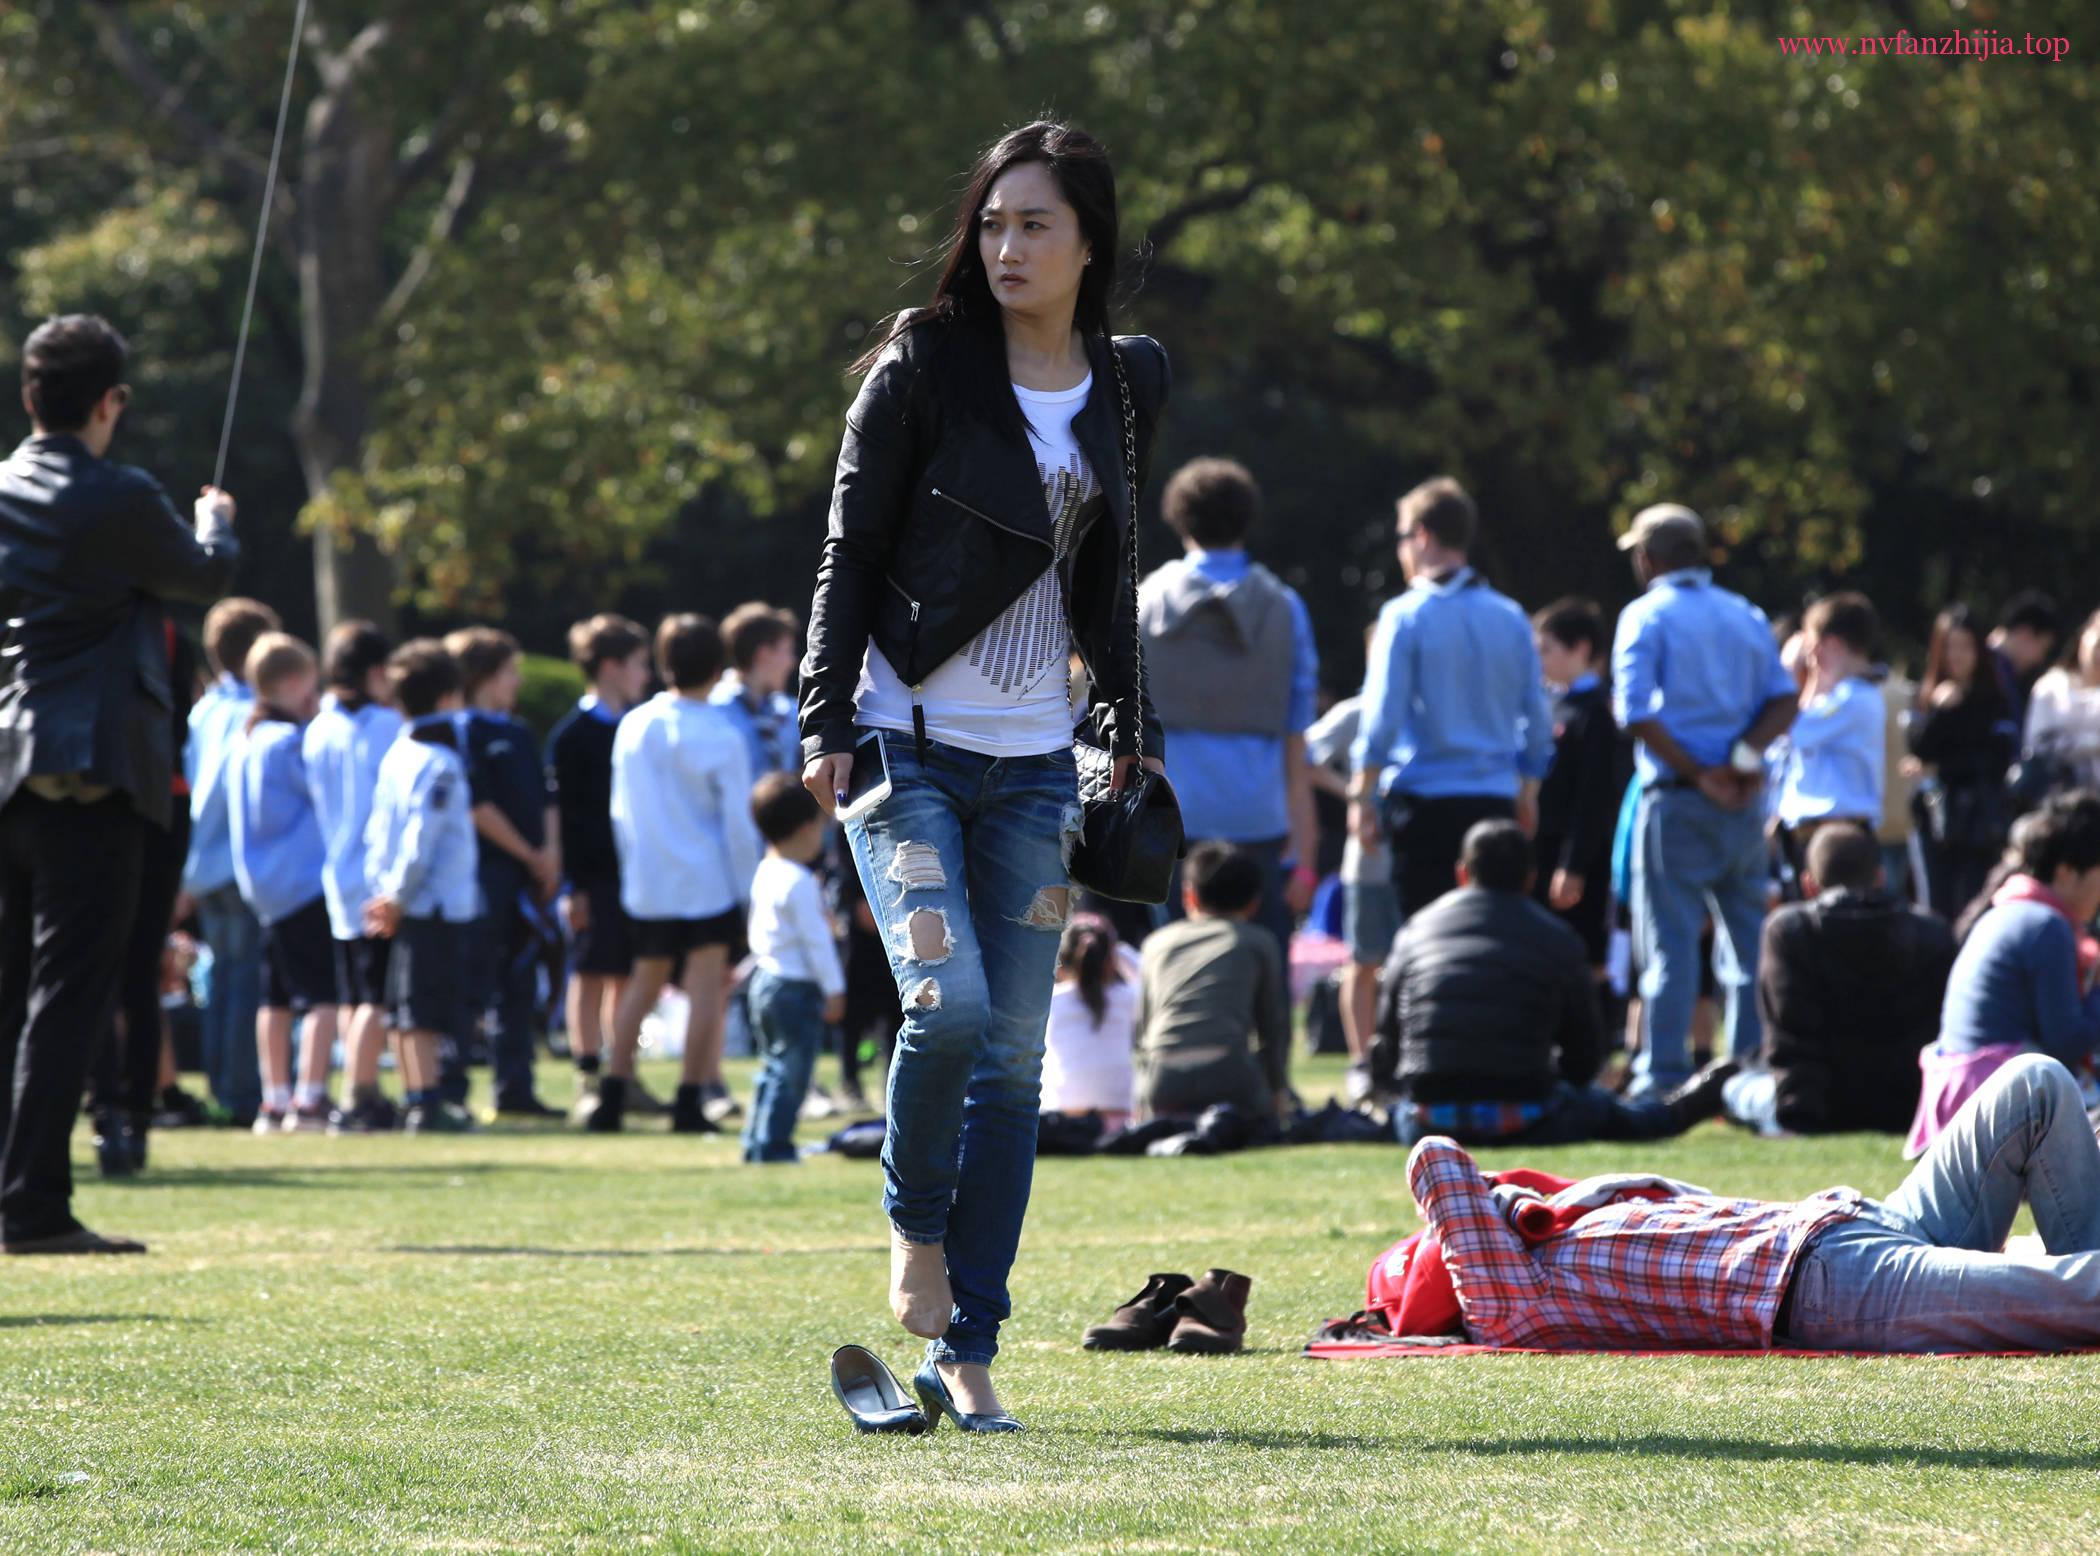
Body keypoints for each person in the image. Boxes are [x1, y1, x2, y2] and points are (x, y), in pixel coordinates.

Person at [798, 121, 1170, 1428]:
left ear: (1089, 245)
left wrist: (1131, 728)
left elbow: (1112, 575)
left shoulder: (1125, 386)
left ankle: (969, 1353)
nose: (1008, 247)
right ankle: (915, 1233)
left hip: (1037, 771)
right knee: (947, 1009)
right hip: (900, 741)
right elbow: (847, 547)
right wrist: (820, 717)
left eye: (1037, 226)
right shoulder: (924, 365)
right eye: (995, 223)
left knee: (1018, 1060)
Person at [0, 314, 239, 1252]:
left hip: (10, 767)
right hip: (94, 767)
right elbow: (203, 577)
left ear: (30, 397)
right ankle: (32, 1207)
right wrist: (215, 520)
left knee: (13, 992)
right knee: (71, 995)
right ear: (112, 403)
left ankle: (16, 1195)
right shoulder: (121, 494)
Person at [1410, 1053, 2100, 1352]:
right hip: (1832, 1290)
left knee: (2034, 1082)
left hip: (1857, 1222)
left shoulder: (1578, 1228)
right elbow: (1434, 1159)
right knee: (2076, 1292)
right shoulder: (1514, 1304)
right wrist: (1498, 1200)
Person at [1378, 820, 1732, 1147]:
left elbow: (1387, 1038)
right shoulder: (1555, 937)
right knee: (1611, 1112)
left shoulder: (1415, 932)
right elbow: (1584, 1057)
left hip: (1427, 1119)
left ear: (1462, 873)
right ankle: (1696, 1099)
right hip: (1531, 1112)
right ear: (1531, 877)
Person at [1611, 503, 1799, 1097]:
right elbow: (1784, 700)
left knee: (1668, 945)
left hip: (1678, 797)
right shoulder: (1745, 615)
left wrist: (1699, 773)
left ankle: (1663, 1077)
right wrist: (1741, 760)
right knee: (1746, 948)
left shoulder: (1645, 615)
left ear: (1647, 558)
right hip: (1743, 801)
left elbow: (1634, 711)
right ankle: (1743, 1077)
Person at [1348, 476, 1555, 927]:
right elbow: (1538, 721)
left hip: (1425, 807)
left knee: (1427, 941)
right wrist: (1529, 788)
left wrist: (1362, 796)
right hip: (1495, 803)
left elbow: (1383, 716)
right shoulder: (1511, 616)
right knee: (1492, 937)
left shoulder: (1403, 616)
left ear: (1421, 534)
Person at [1138, 457, 1319, 953]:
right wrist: (1305, 852)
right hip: (1258, 816)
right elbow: (1296, 736)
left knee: (1173, 963)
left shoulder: (1146, 600)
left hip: (1170, 813)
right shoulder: (1284, 607)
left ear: (1178, 518)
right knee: (1260, 965)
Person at [594, 614, 759, 1134]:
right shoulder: (721, 732)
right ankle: (691, 1096)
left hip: (650, 879)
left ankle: (611, 1092)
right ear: (717, 667)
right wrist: (747, 890)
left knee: (641, 986)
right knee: (705, 988)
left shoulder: (634, 724)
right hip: (707, 880)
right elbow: (737, 824)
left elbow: (620, 810)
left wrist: (633, 873)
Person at [1721, 823, 1955, 1136]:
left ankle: (1654, 1116)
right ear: (1880, 877)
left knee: (1728, 1082)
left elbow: (1785, 1031)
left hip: (1813, 1106)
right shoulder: (1931, 931)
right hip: (1909, 1106)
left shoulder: (1789, 931)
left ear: (1808, 885)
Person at [1914, 790, 2100, 1152]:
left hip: (1966, 1093)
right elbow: (2067, 1041)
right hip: (1994, 1102)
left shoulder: (2012, 911)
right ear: (2066, 873)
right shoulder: (2047, 925)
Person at [87, 620, 202, 1176]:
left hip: (107, 793)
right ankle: (131, 1113)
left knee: (105, 971)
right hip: (157, 796)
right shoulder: (165, 630)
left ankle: (113, 1109)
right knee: (135, 972)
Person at [444, 627, 561, 1119]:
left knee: (519, 983)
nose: (516, 681)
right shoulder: (463, 731)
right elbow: (476, 805)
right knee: (469, 984)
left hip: (524, 881)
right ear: (484, 676)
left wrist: (550, 853)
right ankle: (449, 1089)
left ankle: (516, 1086)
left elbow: (546, 795)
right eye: (509, 672)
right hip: (481, 877)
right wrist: (527, 853)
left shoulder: (518, 731)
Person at [363, 640, 479, 1133]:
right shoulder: (439, 762)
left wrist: (382, 890)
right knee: (424, 1009)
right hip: (430, 903)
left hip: (399, 898)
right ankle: (427, 1100)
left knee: (406, 1003)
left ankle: (417, 1096)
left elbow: (377, 833)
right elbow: (420, 838)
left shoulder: (397, 753)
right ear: (449, 696)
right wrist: (401, 895)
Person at [229, 633, 340, 1133]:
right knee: (322, 995)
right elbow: (323, 790)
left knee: (272, 997)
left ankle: (273, 1099)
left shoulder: (246, 739)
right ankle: (309, 1097)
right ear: (294, 682)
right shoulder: (289, 742)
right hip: (303, 882)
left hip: (263, 889)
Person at [547, 612, 652, 1117]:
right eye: (637, 664)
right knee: (588, 972)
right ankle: (587, 1074)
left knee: (626, 974)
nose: (645, 675)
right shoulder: (572, 737)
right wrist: (571, 884)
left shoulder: (637, 727)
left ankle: (621, 1072)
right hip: (591, 876)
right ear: (610, 666)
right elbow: (563, 820)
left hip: (631, 871)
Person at [301, 621, 404, 1134]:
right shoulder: (384, 727)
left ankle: (359, 1081)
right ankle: (358, 1095)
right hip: (373, 875)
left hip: (336, 872)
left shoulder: (319, 726)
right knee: (376, 995)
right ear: (376, 672)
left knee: (352, 993)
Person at [184, 596, 281, 1125]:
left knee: (220, 975)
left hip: (201, 862)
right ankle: (242, 1091)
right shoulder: (252, 714)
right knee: (246, 979)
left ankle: (222, 1082)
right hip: (240, 864)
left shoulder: (205, 710)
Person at [1302, 628, 1397, 1099]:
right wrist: (1355, 793)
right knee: (1363, 962)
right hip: (1370, 862)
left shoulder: (1424, 710)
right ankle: (1363, 1064)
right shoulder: (1356, 712)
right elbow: (1306, 757)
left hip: (1416, 858)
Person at [1133, 842, 1291, 1124]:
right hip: (1229, 1072)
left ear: (1189, 896)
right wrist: (1278, 1092)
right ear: (1255, 902)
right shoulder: (1257, 941)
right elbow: (1273, 1028)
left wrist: (1143, 1099)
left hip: (1164, 1077)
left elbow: (1143, 1030)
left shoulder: (1156, 944)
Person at [741, 772, 846, 1163]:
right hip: (795, 987)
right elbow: (816, 944)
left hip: (765, 982)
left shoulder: (765, 871)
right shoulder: (799, 880)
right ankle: (775, 1145)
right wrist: (834, 990)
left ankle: (756, 1140)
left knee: (772, 1066)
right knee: (794, 1072)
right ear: (806, 828)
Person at [1529, 598, 1631, 977]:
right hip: (1545, 849)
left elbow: (1592, 797)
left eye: (1547, 649)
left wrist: (1573, 865)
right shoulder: (1553, 706)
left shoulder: (1597, 714)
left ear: (1581, 649)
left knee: (1585, 961)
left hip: (1580, 858)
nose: (1539, 659)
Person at [1907, 605, 2019, 919]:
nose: (1956, 656)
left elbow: (1996, 760)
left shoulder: (1994, 699)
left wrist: (1941, 769)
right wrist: (1941, 710)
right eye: (1950, 647)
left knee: (1972, 906)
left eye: (1964, 647)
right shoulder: (1928, 697)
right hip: (1932, 819)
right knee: (1934, 906)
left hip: (1976, 821)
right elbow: (1918, 750)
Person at [1774, 592, 1887, 854]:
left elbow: (1789, 727)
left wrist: (1789, 670)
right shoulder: (1844, 698)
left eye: (1814, 648)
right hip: (1820, 827)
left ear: (1834, 645)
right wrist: (1817, 679)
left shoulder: (1854, 698)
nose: (1810, 658)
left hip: (1836, 832)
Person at [1042, 913, 1142, 1127]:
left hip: (1061, 1118)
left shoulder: (1049, 1000)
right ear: (1110, 961)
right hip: (1119, 1117)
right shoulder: (1128, 997)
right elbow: (1149, 980)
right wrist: (1120, 951)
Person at [710, 602, 802, 781]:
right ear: (764, 653)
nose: (792, 662)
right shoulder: (715, 712)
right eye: (787, 651)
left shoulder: (789, 712)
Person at [2021, 607, 2100, 793]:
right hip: (2054, 797)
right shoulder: (2051, 687)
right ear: (2083, 637)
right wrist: (2091, 745)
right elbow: (2037, 744)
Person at [1989, 589, 2060, 730]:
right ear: (2025, 634)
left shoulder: (2012, 675)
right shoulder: (1983, 668)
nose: (2040, 659)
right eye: (2043, 649)